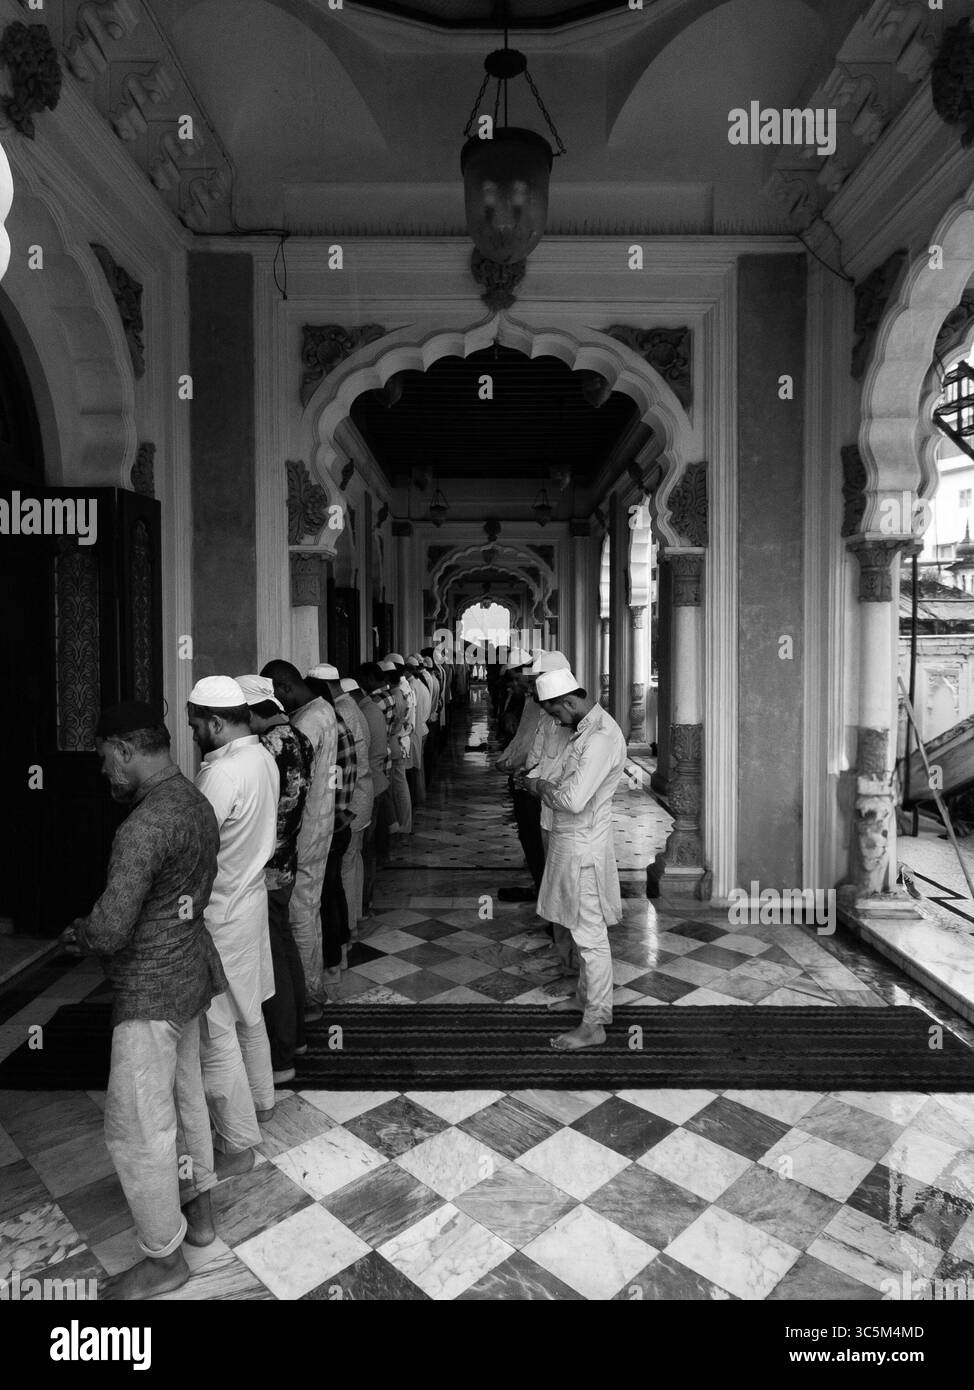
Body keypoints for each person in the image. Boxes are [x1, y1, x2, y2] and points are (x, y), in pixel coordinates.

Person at [59, 701, 226, 1301]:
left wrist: (80, 933)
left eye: (106, 759)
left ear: (126, 750)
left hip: (151, 991)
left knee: (136, 1127)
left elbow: (110, 929)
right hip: (190, 974)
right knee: (185, 1102)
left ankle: (163, 1258)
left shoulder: (145, 825)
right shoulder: (194, 801)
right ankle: (199, 1216)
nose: (104, 772)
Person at [189, 676, 278, 1171]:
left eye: (195, 725)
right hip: (250, 901)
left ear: (216, 722)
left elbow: (196, 848)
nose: (193, 734)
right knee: (249, 1012)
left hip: (221, 912)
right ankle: (262, 1104)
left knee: (215, 1027)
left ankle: (238, 1143)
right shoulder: (262, 756)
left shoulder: (222, 774)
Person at [519, 668, 626, 1052]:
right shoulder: (584, 729)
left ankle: (595, 1023)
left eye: (556, 714)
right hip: (571, 844)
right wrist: (551, 784)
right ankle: (584, 997)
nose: (556, 722)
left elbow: (572, 799)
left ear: (569, 701)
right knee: (580, 931)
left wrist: (539, 785)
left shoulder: (599, 738)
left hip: (583, 849)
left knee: (591, 937)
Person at [236, 674, 313, 1085]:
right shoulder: (298, 737)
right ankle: (296, 1037)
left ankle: (281, 1056)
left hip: (265, 866)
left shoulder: (268, 746)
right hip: (285, 861)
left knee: (273, 962)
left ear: (250, 712)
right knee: (285, 949)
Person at [261, 660, 338, 1019]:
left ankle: (309, 995)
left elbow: (292, 784)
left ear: (284, 687)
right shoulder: (320, 710)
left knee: (300, 912)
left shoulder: (308, 721)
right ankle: (309, 989)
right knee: (306, 909)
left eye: (273, 695)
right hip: (315, 825)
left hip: (305, 830)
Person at [495, 649, 565, 905]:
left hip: (549, 794)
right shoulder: (538, 705)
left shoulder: (566, 715)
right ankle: (545, 898)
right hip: (532, 785)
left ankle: (553, 906)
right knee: (536, 847)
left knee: (549, 853)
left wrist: (527, 772)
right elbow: (528, 741)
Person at [354, 663, 395, 922]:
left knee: (364, 852)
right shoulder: (371, 708)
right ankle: (363, 901)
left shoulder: (365, 713)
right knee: (367, 852)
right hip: (378, 781)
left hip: (371, 785)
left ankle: (363, 903)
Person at [379, 655, 411, 834]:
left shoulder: (394, 696)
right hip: (396, 743)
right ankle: (401, 823)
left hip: (393, 743)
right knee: (398, 788)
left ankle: (403, 825)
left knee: (398, 789)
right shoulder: (397, 693)